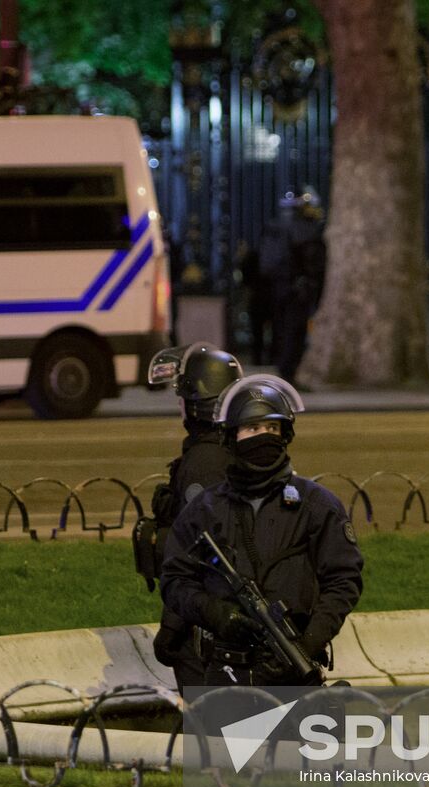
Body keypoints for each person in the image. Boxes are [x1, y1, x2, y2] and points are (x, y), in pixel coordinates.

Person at [160, 374, 363, 687]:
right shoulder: (204, 509)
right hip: (225, 673)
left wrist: (309, 641)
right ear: (231, 437)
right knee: (225, 737)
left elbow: (343, 580)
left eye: (272, 428)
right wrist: (216, 613)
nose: (263, 437)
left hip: (294, 670)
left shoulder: (316, 505)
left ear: (285, 434)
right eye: (252, 429)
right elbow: (175, 581)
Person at [135, 343, 244, 694]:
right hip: (223, 619)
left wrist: (172, 628)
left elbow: (200, 556)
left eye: (182, 396)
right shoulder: (231, 450)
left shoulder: (205, 462)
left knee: (211, 735)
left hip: (206, 629)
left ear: (197, 403)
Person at [258, 189, 326, 388]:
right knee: (294, 332)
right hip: (297, 287)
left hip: (278, 286)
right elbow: (312, 259)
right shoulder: (303, 228)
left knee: (281, 329)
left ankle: (282, 368)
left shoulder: (275, 226)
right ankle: (288, 373)